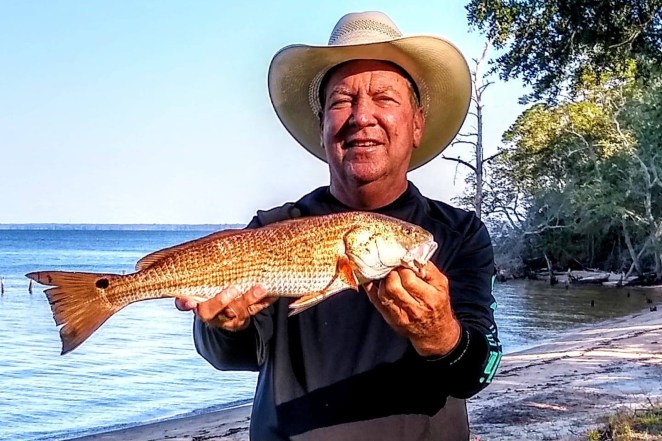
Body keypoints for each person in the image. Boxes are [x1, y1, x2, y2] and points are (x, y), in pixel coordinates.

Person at [176, 11, 501, 441]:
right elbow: (236, 354)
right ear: (323, 124)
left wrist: (440, 334)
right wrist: (219, 325)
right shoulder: (271, 229)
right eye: (342, 100)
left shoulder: (459, 234)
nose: (361, 115)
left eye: (384, 98)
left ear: (417, 123)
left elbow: (480, 370)